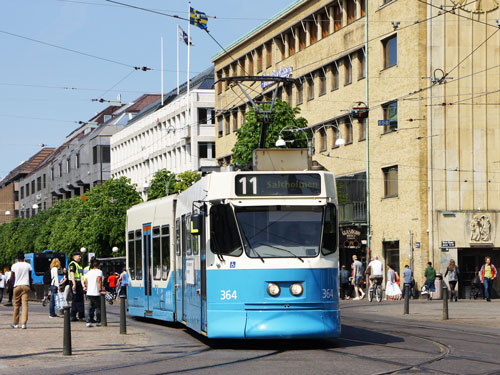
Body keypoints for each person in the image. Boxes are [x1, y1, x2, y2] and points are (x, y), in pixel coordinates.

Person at [9, 252, 33, 329]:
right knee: (25, 304)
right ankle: (24, 324)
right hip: (26, 285)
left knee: (16, 305)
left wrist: (9, 285)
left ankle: (15, 323)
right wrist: (31, 286)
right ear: (24, 258)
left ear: (17, 258)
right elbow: (30, 278)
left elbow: (12, 278)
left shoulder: (14, 265)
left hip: (17, 286)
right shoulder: (28, 265)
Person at [84, 259, 104, 327]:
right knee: (98, 307)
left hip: (89, 292)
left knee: (89, 307)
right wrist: (100, 289)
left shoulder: (88, 272)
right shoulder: (99, 272)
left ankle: (88, 321)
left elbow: (86, 282)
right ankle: (98, 322)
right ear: (98, 265)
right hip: (96, 292)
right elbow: (99, 280)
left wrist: (88, 288)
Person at [69, 252, 85, 321]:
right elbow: (72, 273)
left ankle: (74, 315)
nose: (80, 257)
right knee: (77, 299)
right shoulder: (73, 264)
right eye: (79, 256)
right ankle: (79, 315)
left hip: (78, 283)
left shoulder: (79, 265)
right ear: (74, 257)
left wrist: (83, 285)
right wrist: (74, 283)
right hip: (75, 283)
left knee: (78, 299)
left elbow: (81, 276)